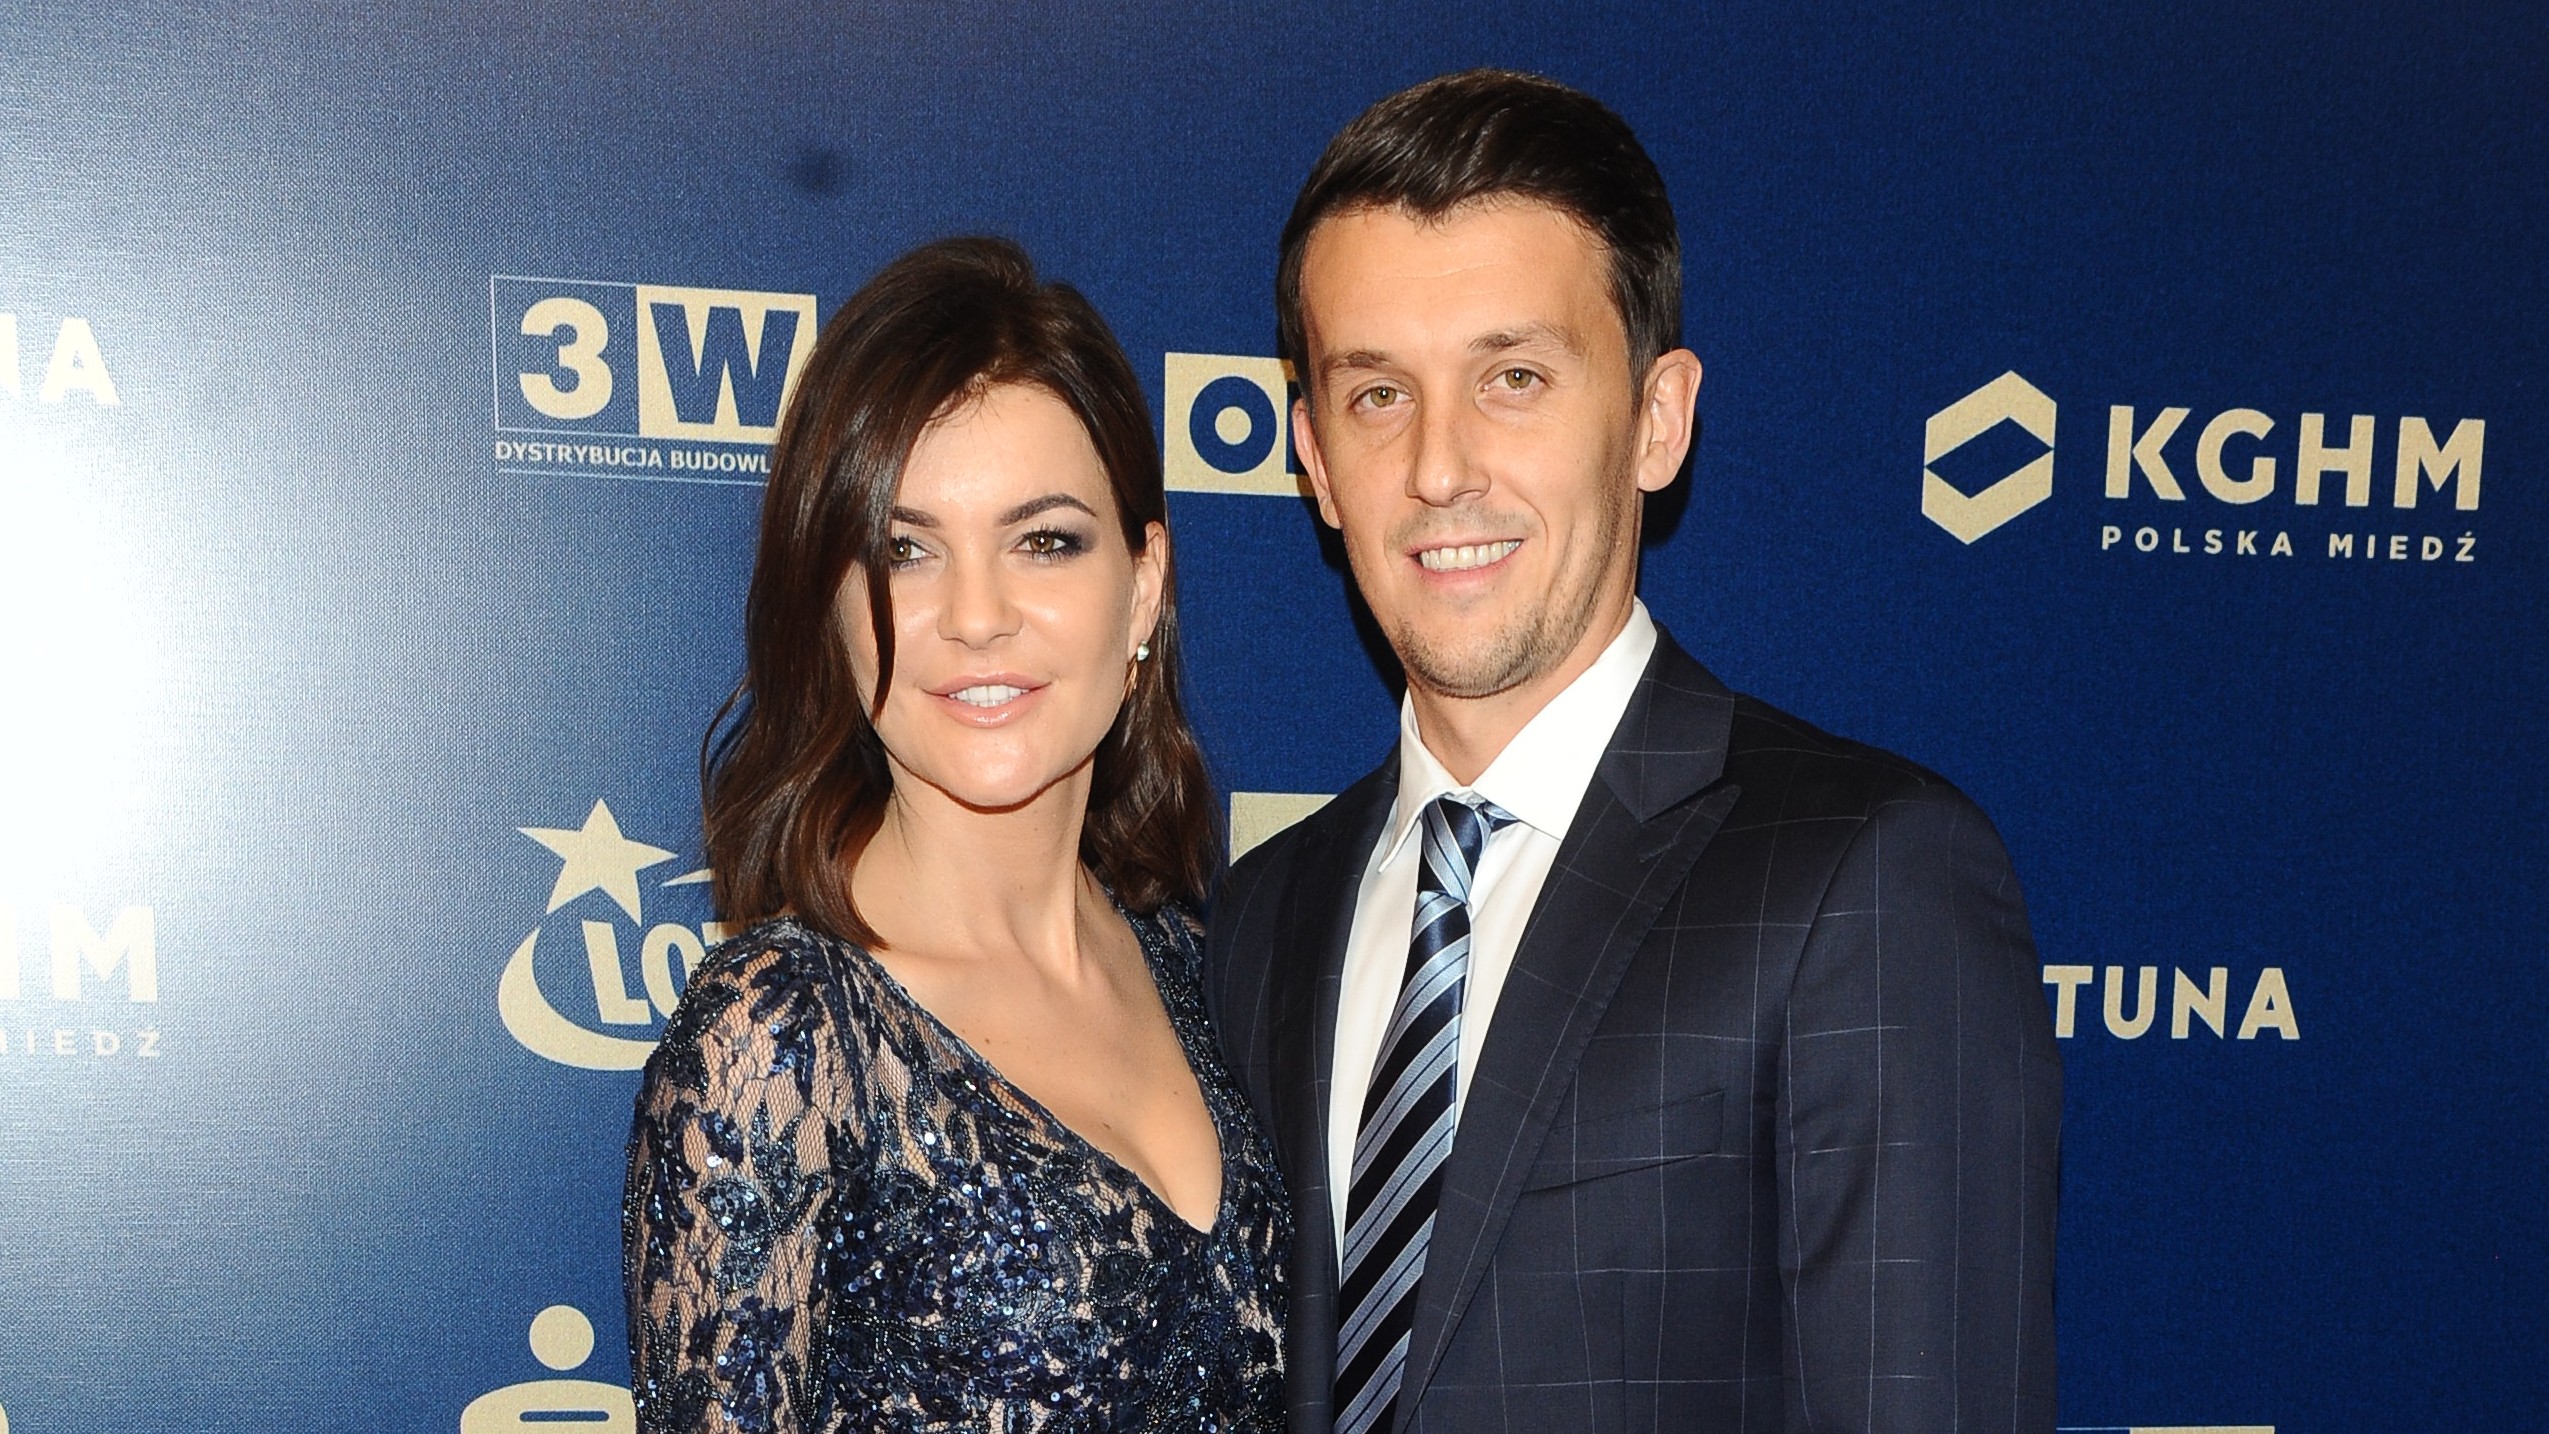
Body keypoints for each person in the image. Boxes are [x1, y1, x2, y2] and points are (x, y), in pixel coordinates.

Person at [1206, 70, 2060, 1433]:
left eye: (1514, 379)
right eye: (1376, 395)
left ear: (1657, 418)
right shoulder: (1263, 909)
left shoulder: (1861, 876)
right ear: (1311, 455)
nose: (1439, 467)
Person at [624, 237, 1287, 1433]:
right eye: (905, 549)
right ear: (830, 606)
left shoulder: (1205, 969)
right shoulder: (780, 1038)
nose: (976, 615)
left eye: (1045, 541)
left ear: (1142, 588)